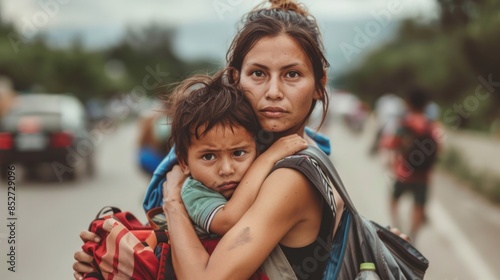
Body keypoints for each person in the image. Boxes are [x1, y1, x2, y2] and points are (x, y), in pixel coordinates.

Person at [74, 1, 408, 279]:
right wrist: (111, 255)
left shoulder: (290, 176)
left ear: (319, 85)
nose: (273, 92)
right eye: (258, 74)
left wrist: (172, 199)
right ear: (235, 78)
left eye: (292, 74)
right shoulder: (269, 151)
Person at [163, 71, 307, 239]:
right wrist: (267, 159)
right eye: (209, 157)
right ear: (184, 162)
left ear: (257, 148)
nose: (226, 169)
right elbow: (226, 221)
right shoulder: (194, 192)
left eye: (238, 153)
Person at [380, 86, 440, 241]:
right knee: (419, 206)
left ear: (408, 103)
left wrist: (391, 161)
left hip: (403, 172)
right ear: (425, 104)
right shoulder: (431, 125)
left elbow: (390, 143)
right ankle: (412, 237)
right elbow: (439, 147)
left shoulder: (404, 123)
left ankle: (397, 230)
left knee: (394, 199)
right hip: (423, 176)